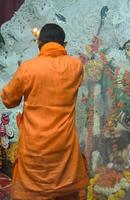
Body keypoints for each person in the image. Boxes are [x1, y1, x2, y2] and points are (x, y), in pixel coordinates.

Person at [0, 23, 89, 200]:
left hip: (35, 147)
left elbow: (8, 100)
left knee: (33, 192)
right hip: (64, 147)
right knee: (66, 191)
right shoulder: (76, 66)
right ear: (64, 45)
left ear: (39, 43)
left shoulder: (28, 68)